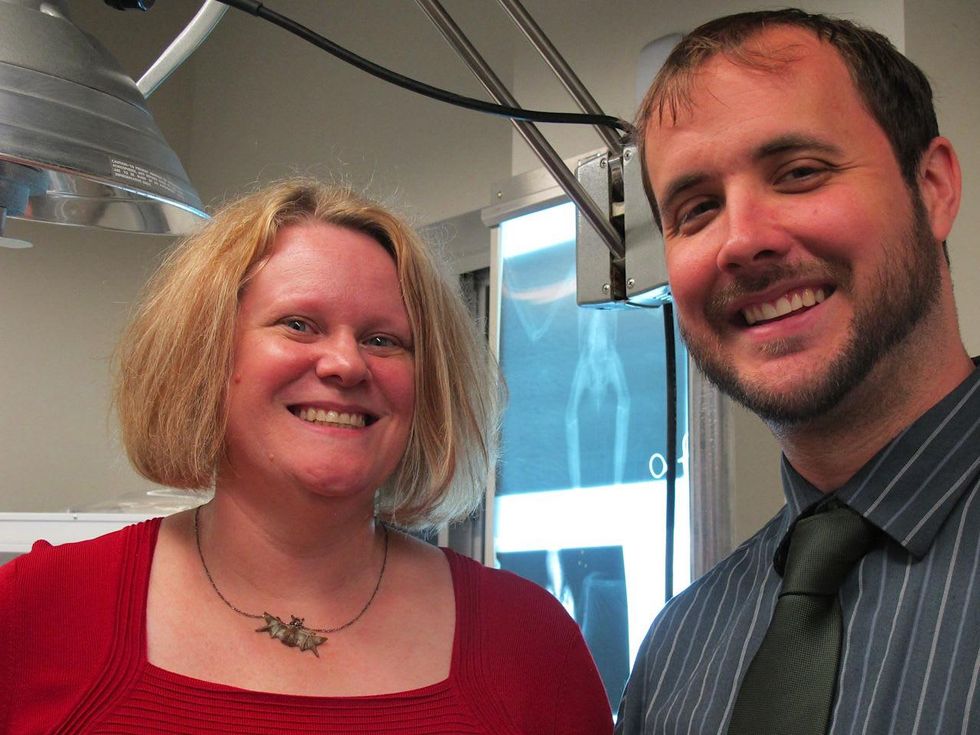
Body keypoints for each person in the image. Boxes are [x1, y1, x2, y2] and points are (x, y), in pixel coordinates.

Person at [0, 180, 613, 734]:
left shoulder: (531, 642)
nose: (346, 364)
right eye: (298, 324)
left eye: (383, 340)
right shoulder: (35, 612)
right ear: (207, 356)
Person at [617, 9, 977, 734]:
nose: (743, 240)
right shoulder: (676, 657)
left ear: (933, 186)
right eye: (696, 209)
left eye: (800, 173)